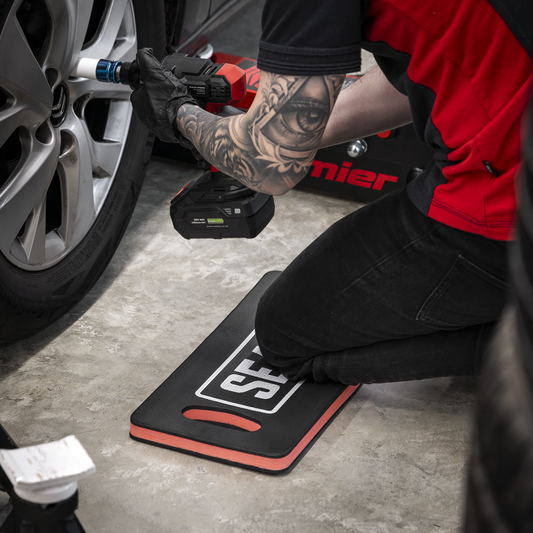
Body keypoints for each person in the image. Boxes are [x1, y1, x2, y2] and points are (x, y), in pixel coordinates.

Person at [130, 0, 532, 384]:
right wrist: (273, 130)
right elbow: (428, 64)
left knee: (287, 334)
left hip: (507, 209)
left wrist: (178, 114)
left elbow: (268, 168)